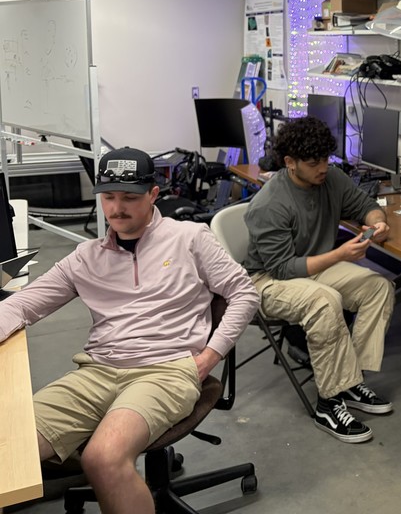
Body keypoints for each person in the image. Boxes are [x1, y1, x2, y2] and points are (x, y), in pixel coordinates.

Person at [0, 147, 259, 514]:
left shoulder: (190, 239)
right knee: (8, 445)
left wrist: (207, 358)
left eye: (130, 197)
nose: (117, 208)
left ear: (153, 194)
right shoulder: (86, 257)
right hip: (98, 370)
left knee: (102, 458)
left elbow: (244, 293)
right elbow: (23, 304)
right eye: (108, 197)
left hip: (166, 371)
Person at [243, 116, 395, 443]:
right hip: (267, 280)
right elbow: (283, 268)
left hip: (314, 266)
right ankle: (328, 404)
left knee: (377, 287)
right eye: (313, 163)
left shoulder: (331, 179)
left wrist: (377, 222)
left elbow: (365, 205)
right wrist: (339, 255)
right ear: (290, 163)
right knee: (325, 302)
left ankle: (351, 381)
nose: (323, 168)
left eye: (326, 159)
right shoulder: (269, 204)